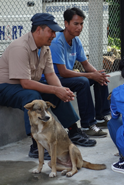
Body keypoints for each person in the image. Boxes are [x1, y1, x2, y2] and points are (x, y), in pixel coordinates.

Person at [0, 13, 97, 160]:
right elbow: (25, 83)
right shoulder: (20, 47)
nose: (54, 35)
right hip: (6, 87)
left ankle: (73, 131)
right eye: (51, 31)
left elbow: (51, 75)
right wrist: (56, 89)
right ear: (39, 30)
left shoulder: (45, 48)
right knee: (33, 98)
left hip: (26, 86)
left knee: (56, 93)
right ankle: (36, 146)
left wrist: (61, 91)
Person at [48, 7, 111, 137]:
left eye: (81, 24)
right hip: (53, 79)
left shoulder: (76, 40)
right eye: (76, 24)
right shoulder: (57, 41)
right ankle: (88, 125)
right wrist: (90, 75)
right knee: (83, 82)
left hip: (65, 77)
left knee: (100, 77)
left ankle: (102, 116)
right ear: (66, 23)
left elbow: (86, 64)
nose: (79, 27)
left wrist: (98, 75)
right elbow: (63, 72)